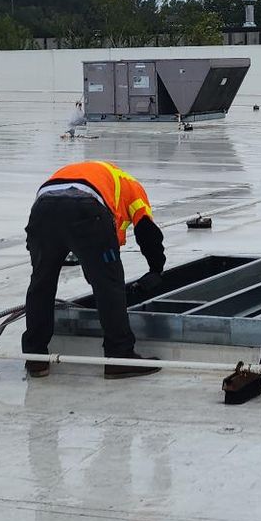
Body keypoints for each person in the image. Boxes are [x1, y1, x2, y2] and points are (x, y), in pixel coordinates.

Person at [23, 160, 165, 378]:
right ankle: (119, 356)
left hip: (42, 208)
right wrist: (156, 268)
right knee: (109, 285)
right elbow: (147, 230)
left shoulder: (96, 174)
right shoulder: (132, 186)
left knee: (41, 283)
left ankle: (36, 358)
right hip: (85, 208)